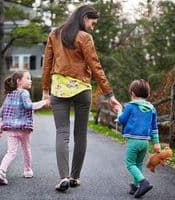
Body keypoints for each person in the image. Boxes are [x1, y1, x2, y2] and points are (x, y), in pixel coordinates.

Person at [42, 4, 122, 191]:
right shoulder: (85, 37)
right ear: (85, 17)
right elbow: (96, 66)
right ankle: (75, 177)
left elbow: (47, 64)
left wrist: (46, 91)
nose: (92, 27)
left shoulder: (54, 34)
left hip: (59, 89)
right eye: (93, 23)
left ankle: (63, 177)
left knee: (62, 133)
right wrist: (109, 94)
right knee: (80, 135)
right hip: (81, 90)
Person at [0, 70, 46, 185]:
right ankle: (27, 171)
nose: (30, 80)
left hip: (11, 129)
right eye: (27, 78)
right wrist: (43, 103)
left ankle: (1, 171)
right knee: (26, 150)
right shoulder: (24, 93)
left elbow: (1, 112)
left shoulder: (9, 95)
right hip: (24, 129)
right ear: (19, 81)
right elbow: (28, 106)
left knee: (11, 153)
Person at [117, 79, 161, 198]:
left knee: (130, 164)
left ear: (132, 93)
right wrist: (157, 143)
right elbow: (154, 127)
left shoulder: (130, 106)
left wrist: (119, 111)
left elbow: (122, 120)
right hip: (145, 142)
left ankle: (143, 182)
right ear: (148, 94)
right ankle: (135, 186)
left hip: (133, 141)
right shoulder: (152, 108)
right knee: (139, 163)